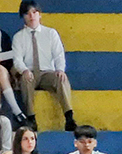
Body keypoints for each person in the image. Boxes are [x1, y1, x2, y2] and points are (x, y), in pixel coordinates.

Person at [12, 1, 76, 131]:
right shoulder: (18, 37)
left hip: (47, 72)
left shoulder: (51, 33)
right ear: (23, 17)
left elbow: (59, 54)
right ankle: (31, 118)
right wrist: (24, 70)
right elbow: (17, 59)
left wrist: (60, 69)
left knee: (61, 78)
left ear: (40, 14)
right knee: (25, 79)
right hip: (30, 72)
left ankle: (69, 117)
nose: (32, 16)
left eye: (34, 12)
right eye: (28, 13)